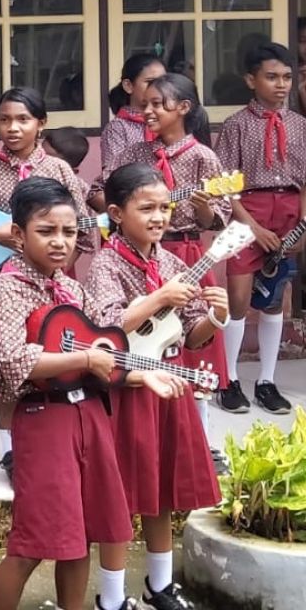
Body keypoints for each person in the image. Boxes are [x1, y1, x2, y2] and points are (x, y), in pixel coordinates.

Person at [0, 178, 185, 610]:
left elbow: (105, 348)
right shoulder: (9, 288)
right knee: (31, 545)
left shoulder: (72, 289)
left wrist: (136, 376)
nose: (60, 243)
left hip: (89, 418)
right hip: (43, 420)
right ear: (18, 234)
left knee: (79, 539)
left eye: (69, 233)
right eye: (46, 231)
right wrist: (84, 361)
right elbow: (12, 360)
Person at [87, 164, 226, 610]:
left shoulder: (171, 261)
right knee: (122, 494)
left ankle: (160, 586)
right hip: (127, 388)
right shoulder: (105, 262)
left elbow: (190, 335)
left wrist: (215, 317)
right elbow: (107, 328)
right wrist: (161, 296)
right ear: (116, 212)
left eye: (164, 208)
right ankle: (111, 598)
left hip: (170, 385)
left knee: (162, 491)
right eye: (145, 208)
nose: (158, 217)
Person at [0, 87, 94, 483]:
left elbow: (81, 226)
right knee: (8, 365)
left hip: (52, 282)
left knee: (58, 356)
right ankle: (10, 451)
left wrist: (61, 265)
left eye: (23, 120)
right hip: (0, 277)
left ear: (41, 124)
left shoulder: (61, 171)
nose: (13, 128)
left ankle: (59, 438)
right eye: (4, 120)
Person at [97, 73, 231, 472]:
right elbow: (102, 191)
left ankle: (198, 437)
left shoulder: (204, 157)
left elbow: (218, 218)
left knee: (182, 338)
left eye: (158, 104)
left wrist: (204, 204)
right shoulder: (135, 150)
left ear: (184, 109)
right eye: (146, 103)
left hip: (185, 253)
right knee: (142, 337)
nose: (148, 110)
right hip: (132, 252)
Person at [214, 43, 306, 415]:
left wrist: (302, 225)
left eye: (287, 77)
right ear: (251, 80)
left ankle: (266, 381)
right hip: (246, 212)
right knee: (238, 299)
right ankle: (229, 379)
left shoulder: (301, 126)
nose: (281, 85)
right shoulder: (236, 125)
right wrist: (251, 227)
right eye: (271, 77)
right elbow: (224, 185)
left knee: (275, 299)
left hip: (289, 213)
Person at [96, 55, 167, 203]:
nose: (158, 88)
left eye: (163, 82)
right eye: (150, 82)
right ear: (128, 86)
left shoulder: (168, 121)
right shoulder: (118, 128)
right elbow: (114, 178)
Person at [42, 126, 91, 199]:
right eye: (40, 154)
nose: (39, 162)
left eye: (50, 162)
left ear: (72, 171)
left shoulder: (80, 190)